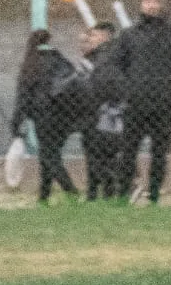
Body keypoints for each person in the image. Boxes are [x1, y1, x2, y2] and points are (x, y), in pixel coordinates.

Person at [112, 0, 171, 204]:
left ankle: (154, 194)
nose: (150, 5)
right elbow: (116, 66)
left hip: (163, 106)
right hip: (135, 105)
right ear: (141, 4)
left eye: (154, 1)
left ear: (160, 4)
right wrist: (127, 90)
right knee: (128, 150)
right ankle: (123, 193)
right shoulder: (129, 36)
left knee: (159, 152)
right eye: (146, 1)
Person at [9, 29, 79, 205]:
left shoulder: (31, 64)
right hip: (65, 116)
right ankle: (44, 196)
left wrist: (16, 124)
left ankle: (70, 190)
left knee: (49, 156)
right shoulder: (60, 60)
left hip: (43, 116)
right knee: (49, 154)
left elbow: (23, 96)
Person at [80, 21, 126, 201]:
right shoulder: (98, 57)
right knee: (100, 154)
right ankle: (102, 191)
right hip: (99, 111)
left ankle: (108, 190)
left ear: (105, 36)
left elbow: (104, 84)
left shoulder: (107, 57)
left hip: (104, 112)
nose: (90, 40)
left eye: (94, 36)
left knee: (102, 153)